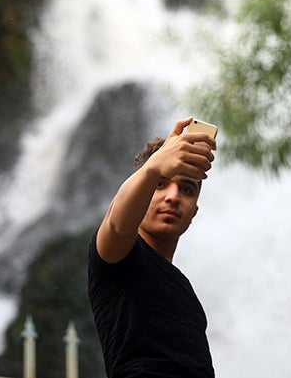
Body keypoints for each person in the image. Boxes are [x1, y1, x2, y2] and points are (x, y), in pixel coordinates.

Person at [87, 117, 217, 378]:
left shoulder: (185, 291)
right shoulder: (118, 255)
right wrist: (154, 168)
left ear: (194, 212)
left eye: (187, 189)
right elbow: (117, 224)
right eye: (160, 184)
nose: (173, 196)